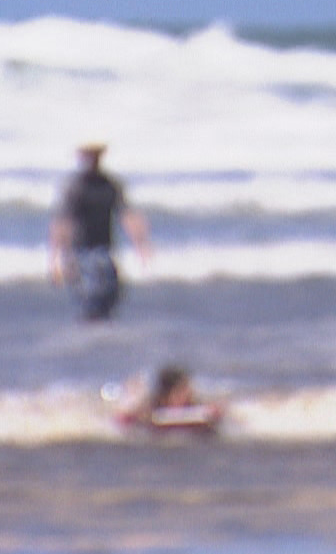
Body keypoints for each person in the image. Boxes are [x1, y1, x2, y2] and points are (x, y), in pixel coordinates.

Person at [48, 142, 152, 322]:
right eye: (89, 156)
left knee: (111, 296)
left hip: (105, 248)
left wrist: (141, 245)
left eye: (96, 156)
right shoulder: (76, 187)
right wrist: (56, 258)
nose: (93, 160)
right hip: (81, 251)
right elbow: (63, 223)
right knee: (93, 299)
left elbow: (127, 215)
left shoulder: (110, 185)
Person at [117, 363, 224, 436]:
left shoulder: (194, 406)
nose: (188, 394)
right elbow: (125, 420)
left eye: (188, 389)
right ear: (167, 394)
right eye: (182, 391)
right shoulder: (152, 407)